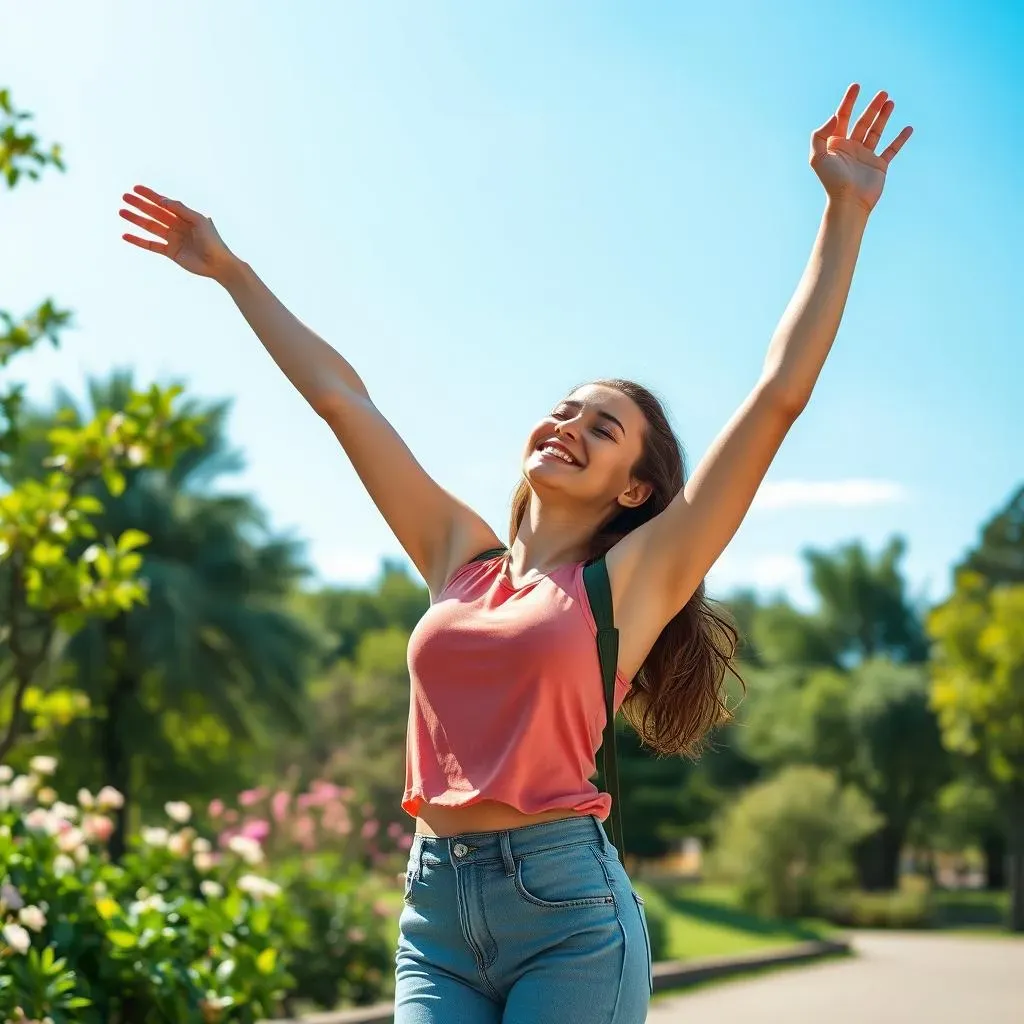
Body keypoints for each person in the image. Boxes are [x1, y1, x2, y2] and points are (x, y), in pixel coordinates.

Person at [119, 82, 911, 1023]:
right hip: (435, 915)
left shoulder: (631, 582)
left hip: (567, 913)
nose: (569, 424)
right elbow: (345, 401)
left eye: (603, 426)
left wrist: (844, 214)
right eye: (566, 407)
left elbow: (777, 397)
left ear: (636, 490)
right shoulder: (460, 557)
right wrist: (232, 270)